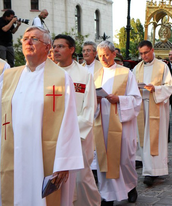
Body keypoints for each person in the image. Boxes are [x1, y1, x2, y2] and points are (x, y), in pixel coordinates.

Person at [0, 26, 84, 205]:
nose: (28, 42)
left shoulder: (61, 78)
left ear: (47, 47)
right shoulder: (9, 77)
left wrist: (64, 162)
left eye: (34, 39)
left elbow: (68, 122)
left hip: (44, 156)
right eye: (25, 39)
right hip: (15, 153)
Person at [53, 34, 101, 206]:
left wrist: (71, 131)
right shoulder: (49, 73)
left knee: (81, 179)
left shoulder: (83, 74)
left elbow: (89, 108)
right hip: (53, 136)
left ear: (71, 50)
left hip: (78, 135)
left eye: (60, 46)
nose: (55, 50)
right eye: (54, 46)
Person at [94, 41, 141, 205]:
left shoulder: (126, 73)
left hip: (122, 123)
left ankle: (130, 186)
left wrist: (119, 99)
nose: (103, 59)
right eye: (100, 56)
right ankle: (107, 195)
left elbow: (136, 99)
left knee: (124, 160)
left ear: (114, 54)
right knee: (104, 159)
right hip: (101, 122)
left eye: (106, 54)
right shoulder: (95, 73)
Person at [133, 40, 172, 187]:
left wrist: (155, 89)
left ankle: (154, 171)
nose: (143, 56)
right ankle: (146, 168)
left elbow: (169, 86)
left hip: (156, 105)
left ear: (152, 51)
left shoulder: (162, 66)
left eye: (146, 52)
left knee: (154, 139)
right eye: (141, 53)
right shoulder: (136, 68)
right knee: (143, 139)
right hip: (141, 107)